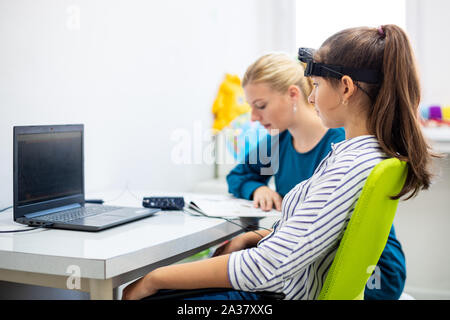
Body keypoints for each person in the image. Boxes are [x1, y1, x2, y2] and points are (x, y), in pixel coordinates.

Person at [122, 25, 434, 300]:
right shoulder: (363, 153)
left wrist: (155, 276)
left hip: (298, 283)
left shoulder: (346, 160)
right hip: (303, 273)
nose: (313, 98)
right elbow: (315, 235)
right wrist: (258, 234)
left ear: (347, 88)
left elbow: (269, 266)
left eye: (318, 86)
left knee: (154, 289)